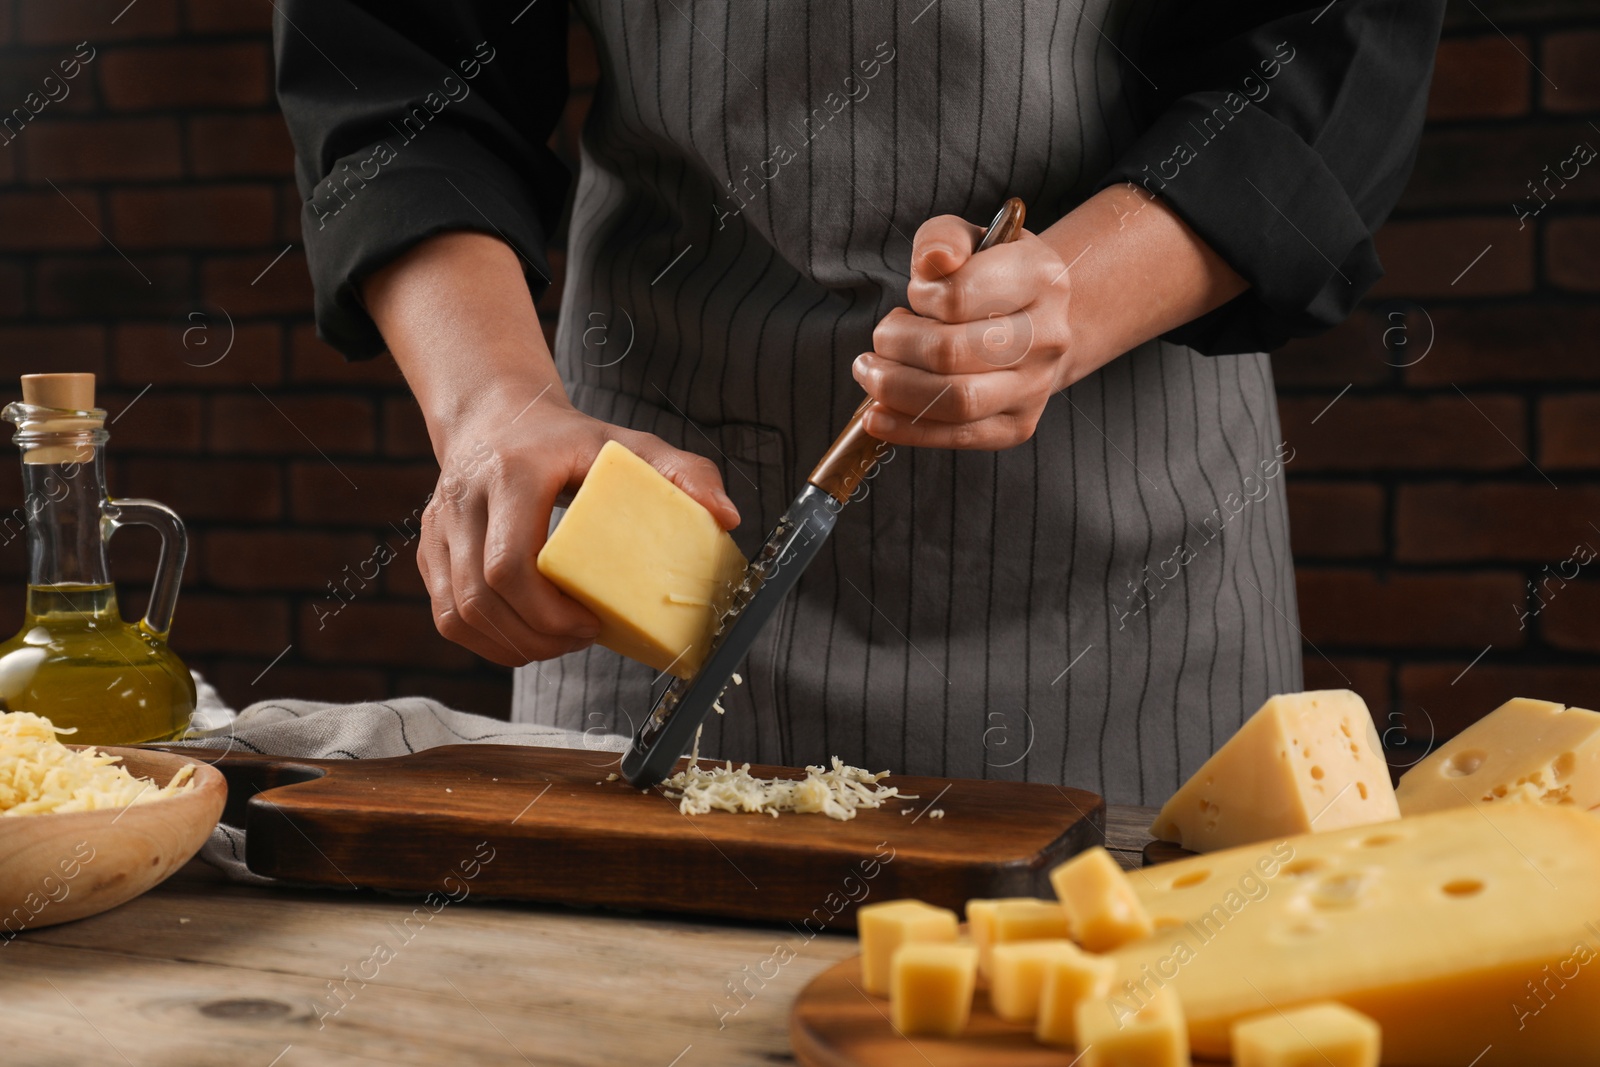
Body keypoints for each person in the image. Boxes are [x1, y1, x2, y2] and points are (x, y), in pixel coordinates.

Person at [275, 1, 1446, 805]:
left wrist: (1069, 297)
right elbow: (397, 66)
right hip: (636, 510)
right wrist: (491, 406)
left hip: (1128, 568)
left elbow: (1326, 42)